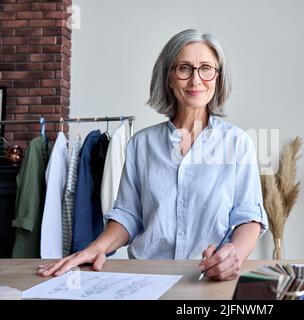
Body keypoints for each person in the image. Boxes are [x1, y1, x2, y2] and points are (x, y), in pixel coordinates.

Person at [38, 29, 268, 281]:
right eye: (184, 68)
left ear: (218, 77)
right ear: (169, 77)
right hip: (147, 278)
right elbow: (129, 214)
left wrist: (234, 253)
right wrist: (96, 248)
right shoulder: (141, 144)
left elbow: (249, 218)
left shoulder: (238, 143)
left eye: (206, 68)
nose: (195, 80)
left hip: (207, 279)